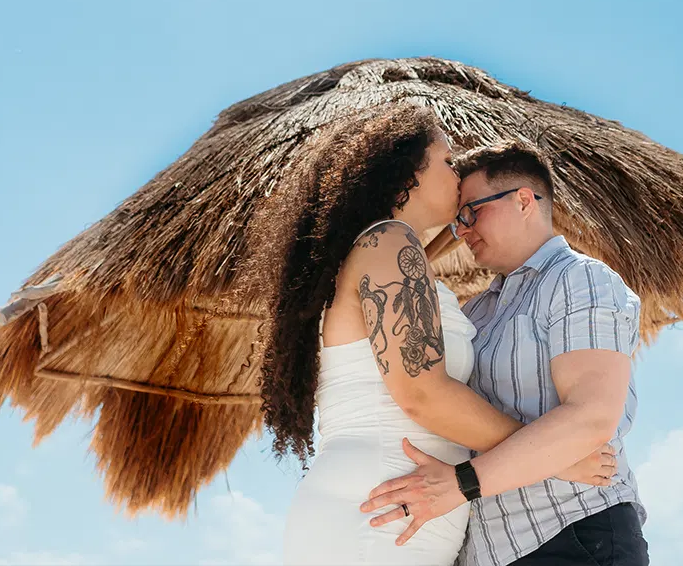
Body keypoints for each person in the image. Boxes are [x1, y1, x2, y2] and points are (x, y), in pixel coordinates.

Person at [265, 105, 619, 565]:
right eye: (447, 162)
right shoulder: (389, 241)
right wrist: (555, 458)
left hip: (398, 507)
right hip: (377, 510)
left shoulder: (393, 252)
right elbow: (422, 393)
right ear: (406, 169)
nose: (457, 175)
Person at [358, 140, 648, 566]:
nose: (463, 230)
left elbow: (590, 419)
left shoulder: (581, 280)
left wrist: (461, 485)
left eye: (472, 211)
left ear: (524, 201)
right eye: (458, 220)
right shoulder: (475, 311)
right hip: (490, 552)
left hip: (575, 534)